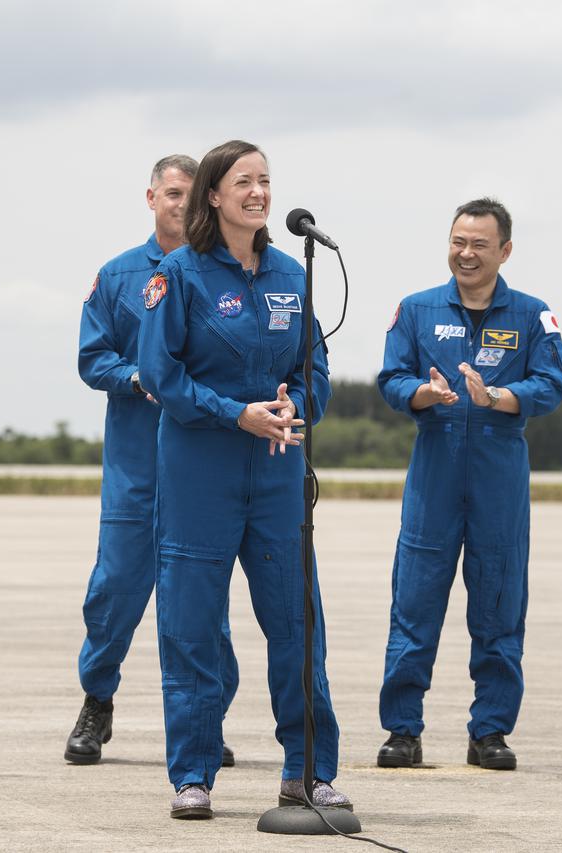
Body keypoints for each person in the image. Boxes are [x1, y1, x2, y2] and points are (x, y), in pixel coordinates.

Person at [138, 139, 349, 819]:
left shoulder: (292, 272)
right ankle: (193, 774)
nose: (258, 192)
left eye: (265, 181)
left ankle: (307, 770)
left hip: (279, 473)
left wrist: (297, 406)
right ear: (213, 195)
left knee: (297, 621)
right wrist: (235, 414)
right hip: (200, 474)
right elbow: (162, 377)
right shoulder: (179, 275)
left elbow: (314, 366)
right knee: (193, 625)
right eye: (243, 182)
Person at [375, 198, 562, 772]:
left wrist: (499, 398)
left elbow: (556, 380)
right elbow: (391, 378)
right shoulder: (415, 310)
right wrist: (424, 394)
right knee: (414, 605)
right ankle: (402, 730)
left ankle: (490, 732)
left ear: (504, 251)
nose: (466, 253)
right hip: (434, 474)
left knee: (499, 607)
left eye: (479, 245)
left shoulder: (534, 315)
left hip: (498, 479)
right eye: (458, 241)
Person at [67, 155, 240, 766]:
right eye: (171, 193)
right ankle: (97, 699)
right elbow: (93, 360)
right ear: (151, 198)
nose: (180, 204)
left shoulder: (225, 275)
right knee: (114, 589)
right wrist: (141, 377)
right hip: (137, 469)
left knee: (202, 603)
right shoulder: (118, 277)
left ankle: (206, 720)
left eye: (191, 196)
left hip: (203, 468)